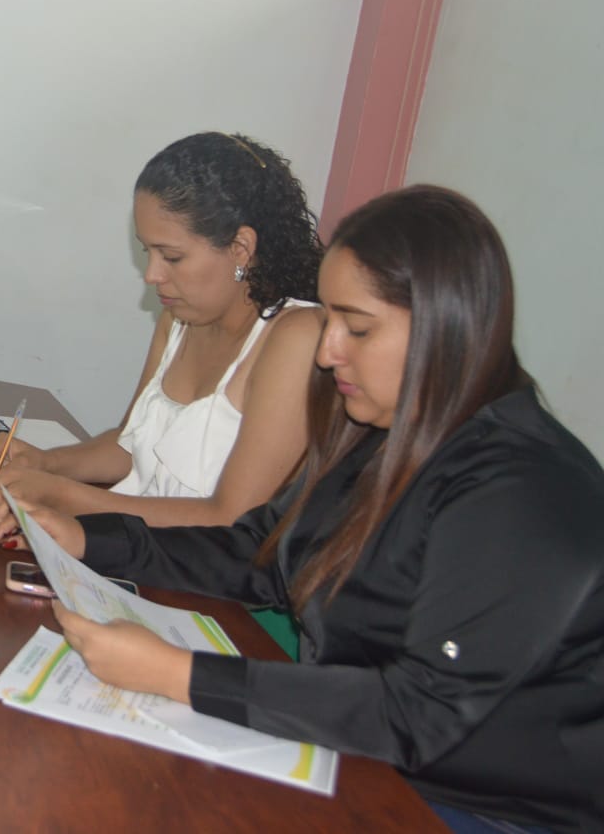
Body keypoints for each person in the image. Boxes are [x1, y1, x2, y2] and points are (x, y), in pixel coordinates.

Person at [31, 186, 604, 833]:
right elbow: (264, 552)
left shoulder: (525, 492)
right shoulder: (386, 427)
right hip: (363, 751)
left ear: (447, 327)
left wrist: (179, 674)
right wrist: (87, 539)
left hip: (486, 809)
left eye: (357, 328)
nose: (328, 353)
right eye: (329, 321)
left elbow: (417, 713)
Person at [0, 132, 324, 534]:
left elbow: (231, 519)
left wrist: (61, 497)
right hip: (139, 550)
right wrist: (45, 463)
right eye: (147, 251)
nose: (152, 274)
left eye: (172, 256)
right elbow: (130, 445)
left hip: (200, 567)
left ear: (241, 248)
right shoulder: (180, 321)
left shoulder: (295, 338)